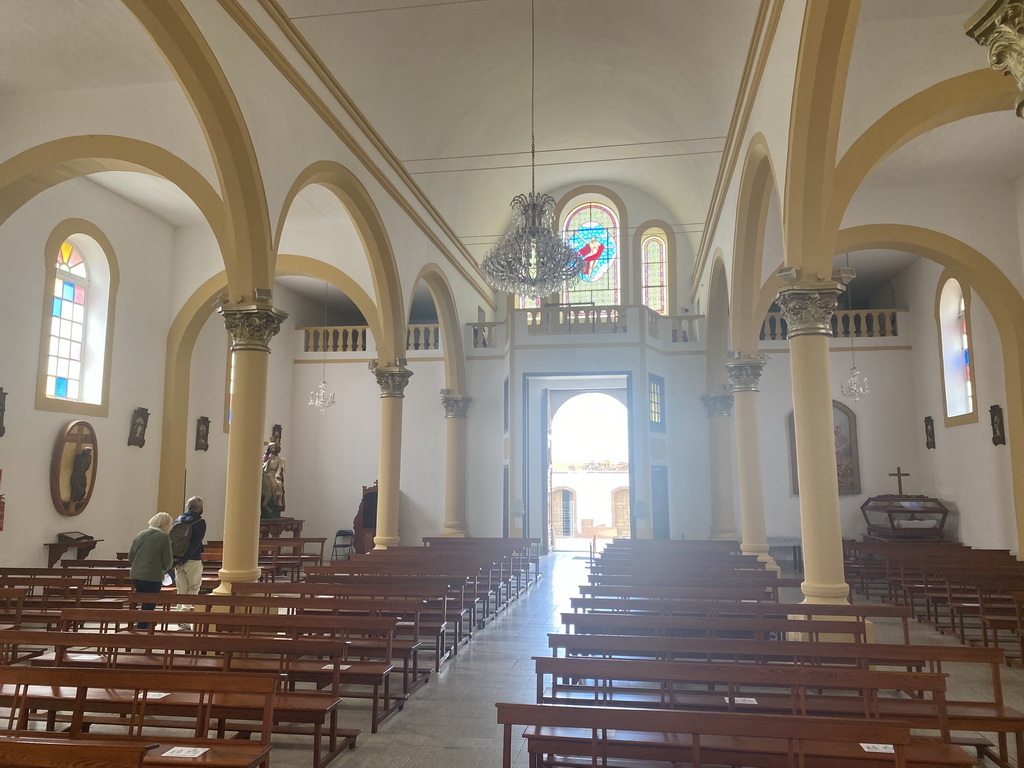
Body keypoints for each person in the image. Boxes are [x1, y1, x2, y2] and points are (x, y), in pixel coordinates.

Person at [128, 512, 173, 629]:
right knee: (149, 604)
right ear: (167, 525)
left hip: (136, 575)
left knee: (144, 601)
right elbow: (168, 562)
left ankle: (143, 624)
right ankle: (143, 628)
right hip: (152, 576)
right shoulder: (164, 537)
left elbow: (130, 557)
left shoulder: (140, 534)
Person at [172, 496, 206, 631]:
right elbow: (195, 544)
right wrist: (185, 559)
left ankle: (180, 616)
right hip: (192, 560)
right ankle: (183, 615)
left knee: (181, 589)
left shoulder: (178, 520)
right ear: (199, 508)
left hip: (178, 560)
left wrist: (177, 560)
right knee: (194, 587)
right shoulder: (200, 522)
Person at [261, 443, 285, 518]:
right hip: (267, 474)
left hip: (275, 474)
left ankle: (278, 502)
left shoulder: (279, 459)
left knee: (278, 486)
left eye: (274, 448)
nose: (273, 449)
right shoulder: (266, 457)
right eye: (271, 448)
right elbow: (263, 467)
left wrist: (277, 475)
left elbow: (279, 468)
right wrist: (268, 460)